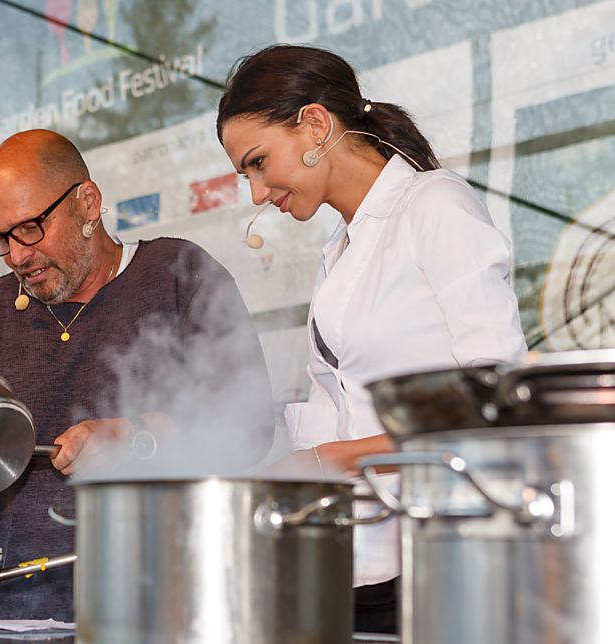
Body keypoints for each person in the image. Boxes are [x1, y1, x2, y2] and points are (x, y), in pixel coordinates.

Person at [0, 129, 274, 621]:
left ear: (87, 203)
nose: (17, 255)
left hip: (172, 606)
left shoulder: (178, 276)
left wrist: (135, 438)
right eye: (0, 239)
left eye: (31, 227)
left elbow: (249, 427)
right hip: (24, 611)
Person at [216, 45, 527, 634]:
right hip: (364, 564)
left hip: (449, 557)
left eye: (258, 163)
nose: (256, 194)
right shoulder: (342, 250)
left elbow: (497, 403)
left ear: (314, 123)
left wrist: (327, 460)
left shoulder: (436, 206)